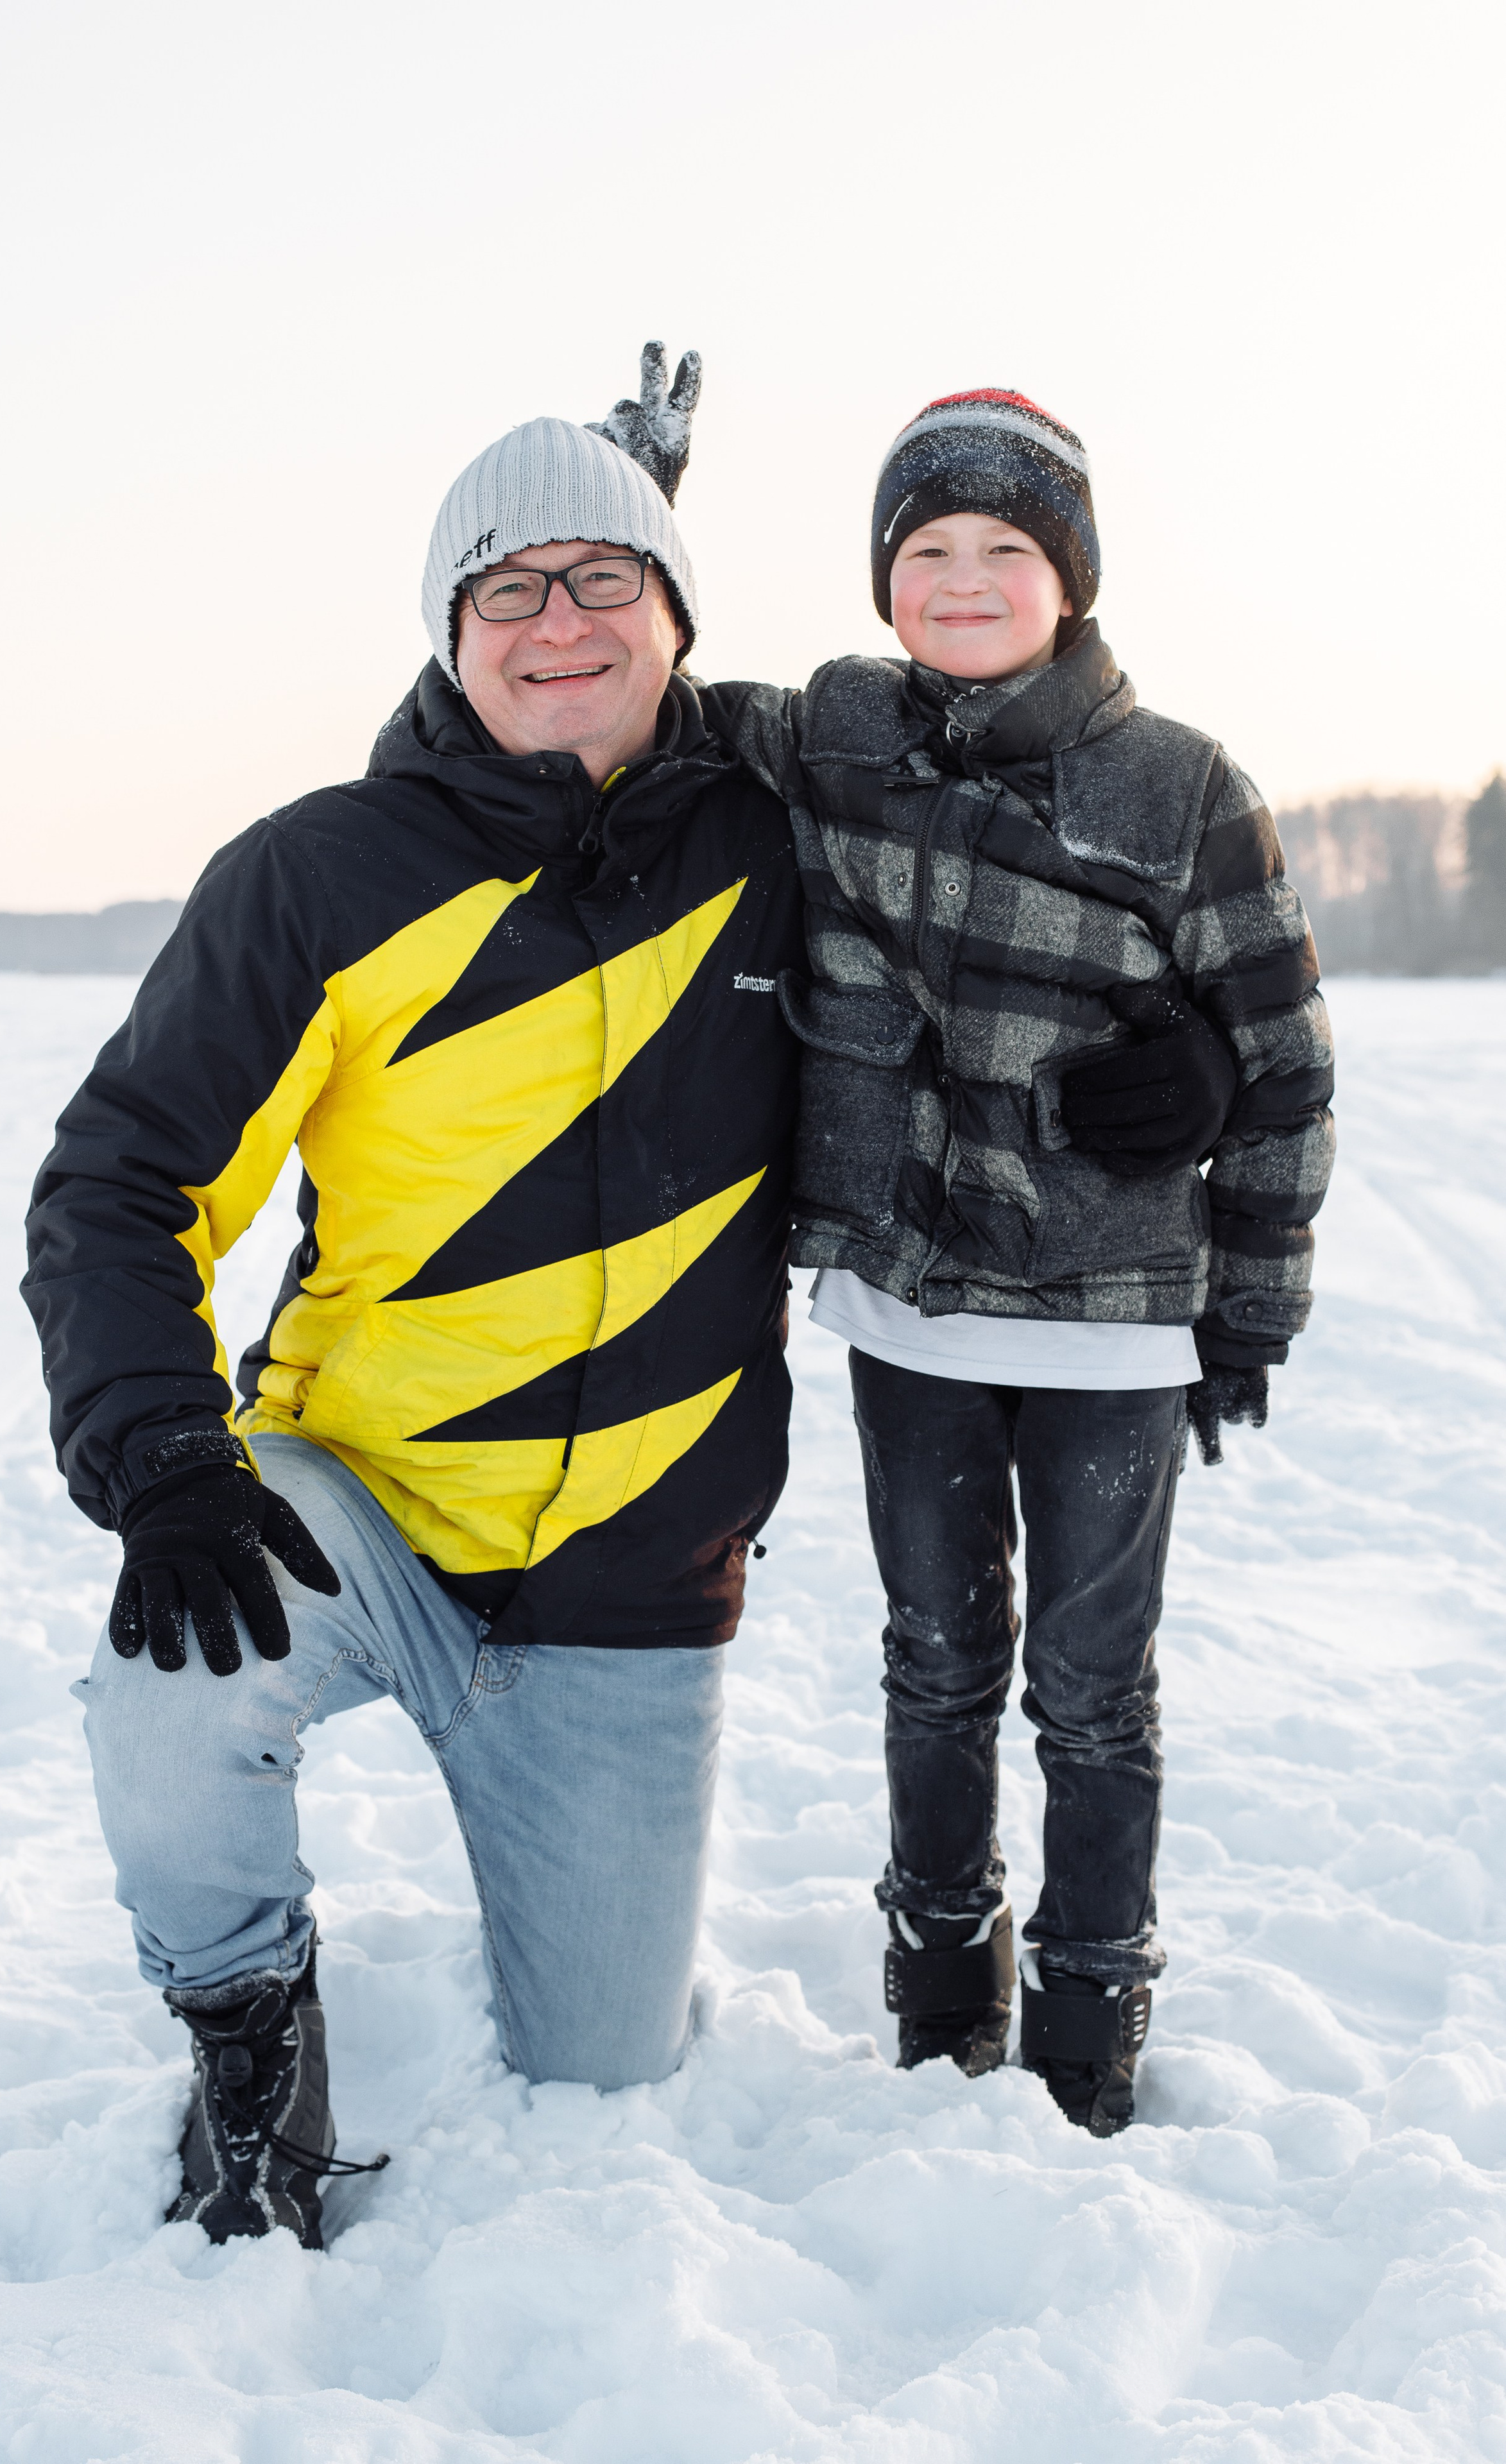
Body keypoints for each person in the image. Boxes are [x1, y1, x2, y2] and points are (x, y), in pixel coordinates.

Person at [22, 407, 803, 2246]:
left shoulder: (785, 851)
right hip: (356, 1502)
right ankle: (246, 2032)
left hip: (633, 1574)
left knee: (604, 2073)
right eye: (505, 590)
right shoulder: (322, 874)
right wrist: (165, 1458)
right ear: (446, 637)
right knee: (170, 1678)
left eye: (602, 579)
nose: (556, 624)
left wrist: (1150, 1046)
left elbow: (991, 866)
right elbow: (121, 1178)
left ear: (678, 610)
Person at [689, 384, 1335, 2135]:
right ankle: (938, 1988)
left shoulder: (1181, 784)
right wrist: (630, 514)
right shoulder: (834, 734)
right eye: (925, 550)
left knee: (1092, 1693)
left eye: (1005, 550)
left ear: (1075, 578)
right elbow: (630, 707)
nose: (963, 579)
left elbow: (1282, 1062)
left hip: (1115, 1326)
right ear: (882, 580)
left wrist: (1250, 1299)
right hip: (910, 1303)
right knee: (932, 1658)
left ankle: (1092, 2007)